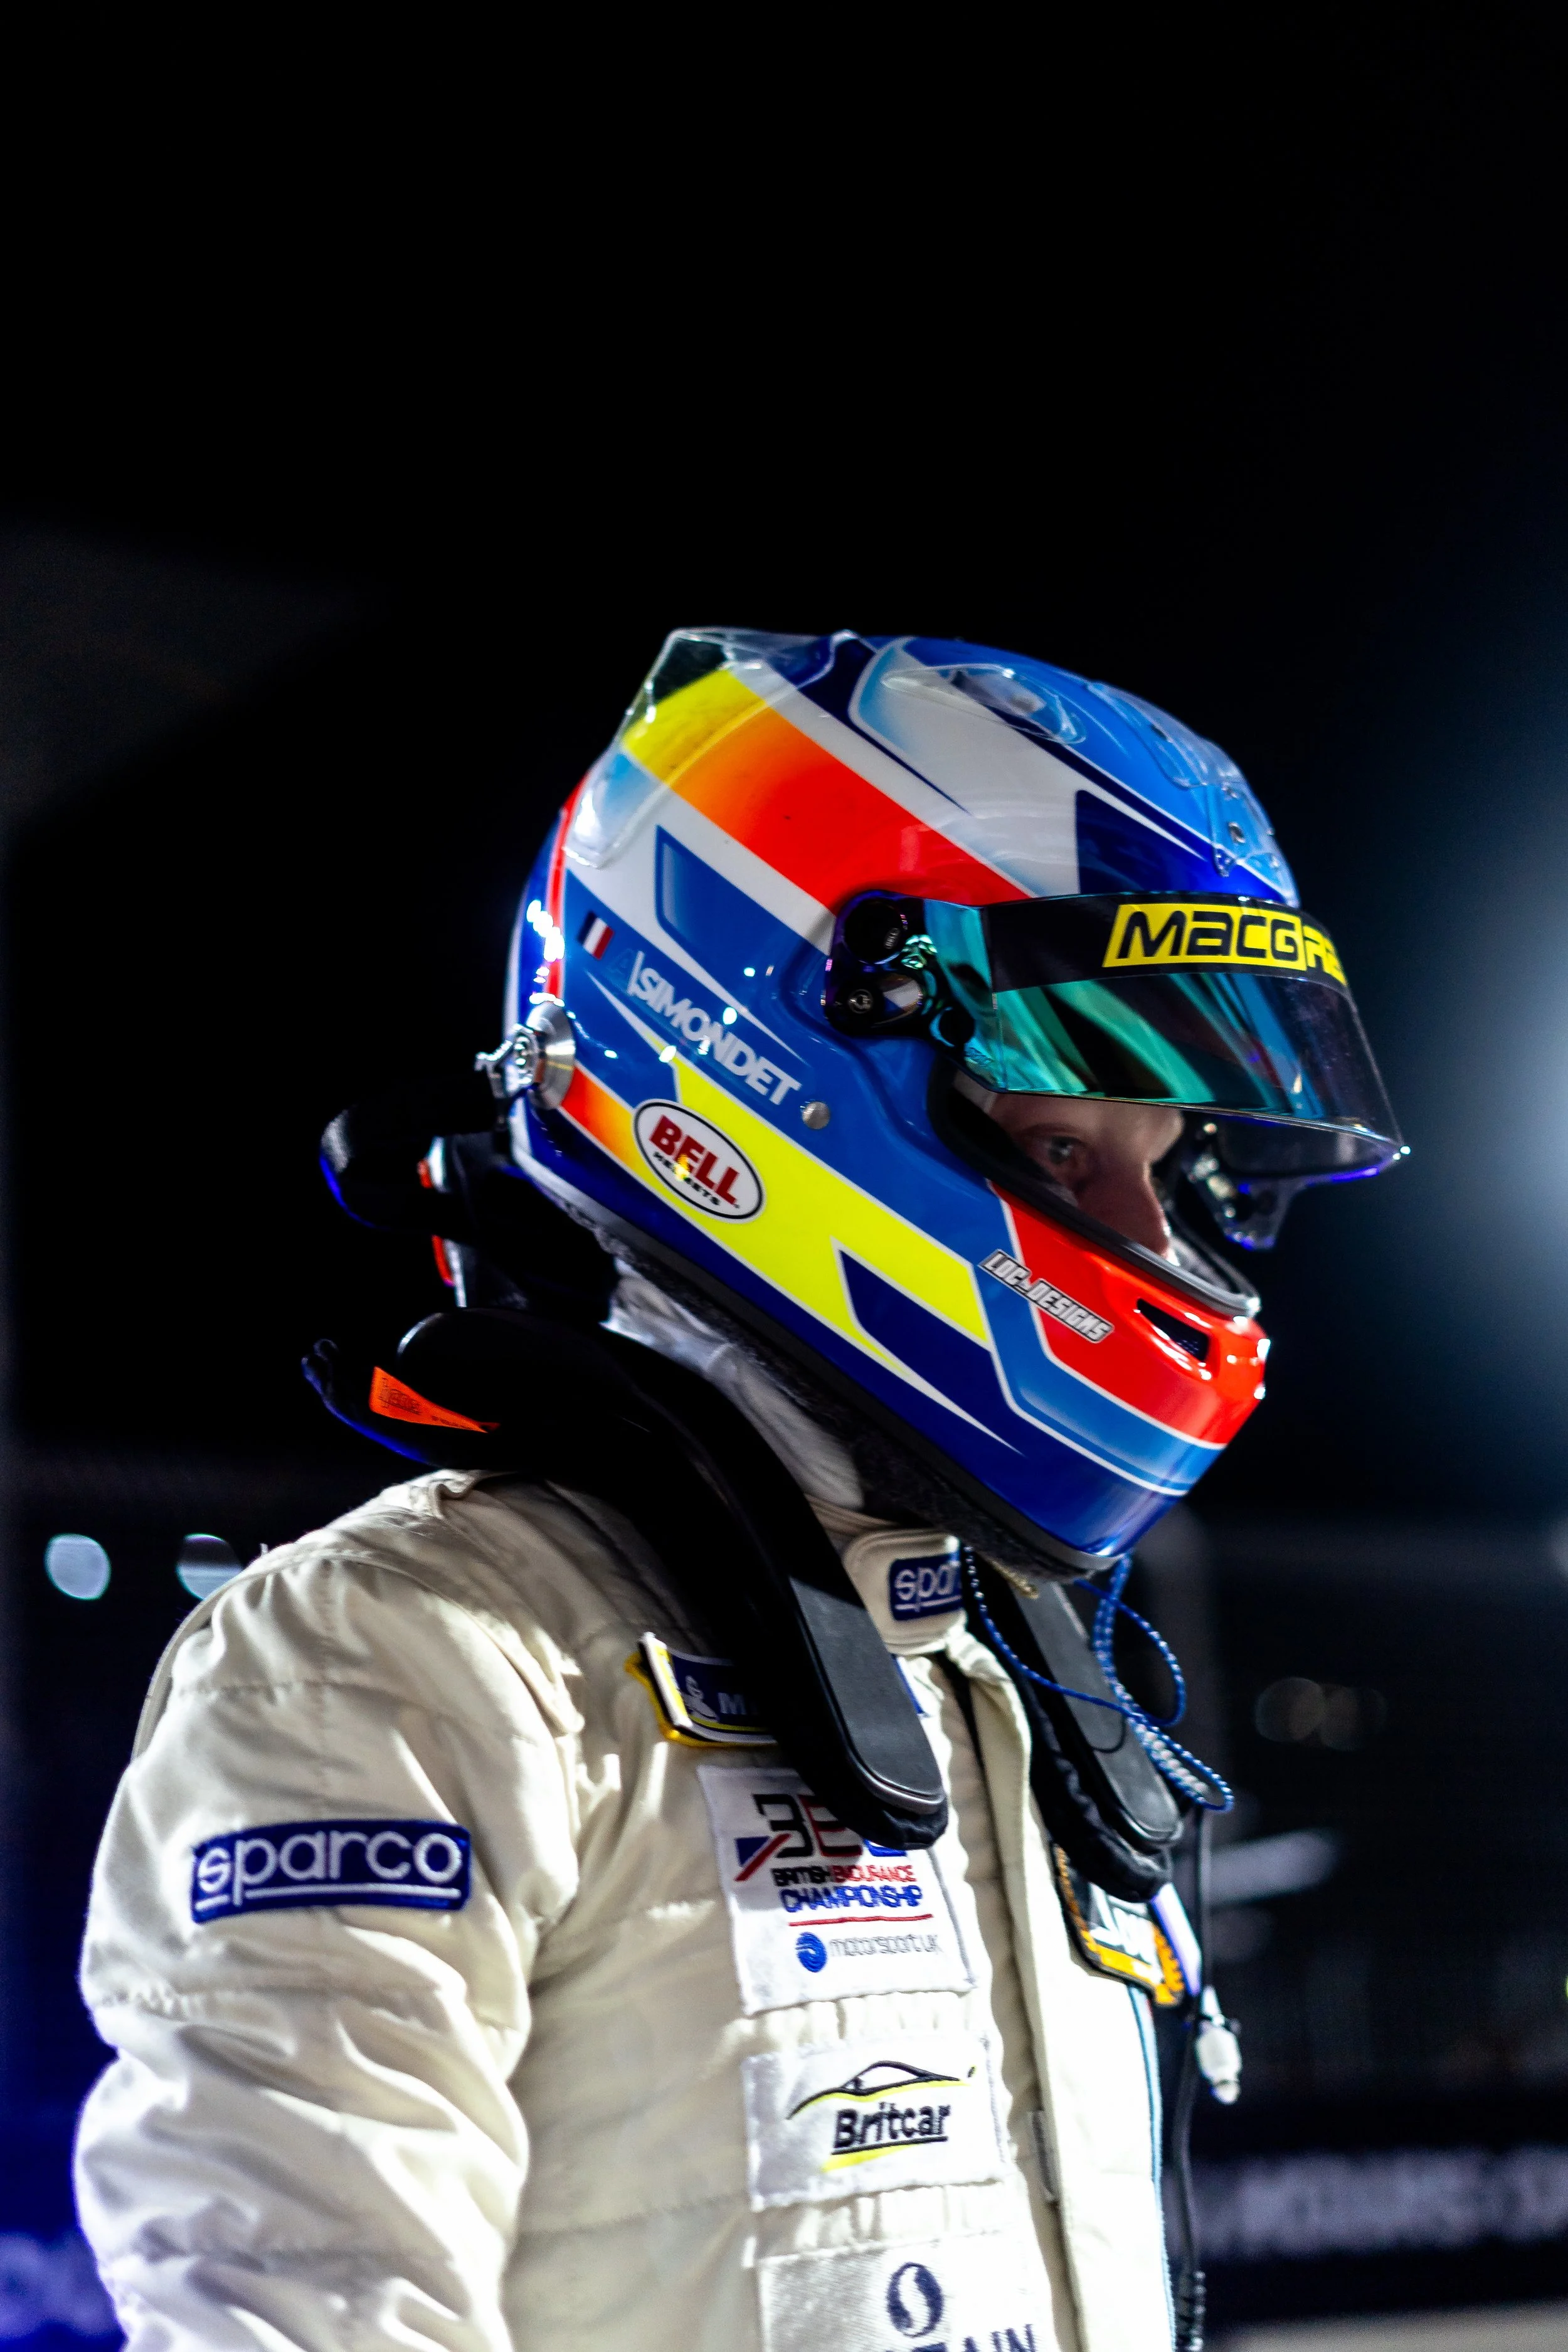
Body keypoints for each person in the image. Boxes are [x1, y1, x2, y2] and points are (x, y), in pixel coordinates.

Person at [73, 631, 1402, 2351]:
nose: (1149, 1230)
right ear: (762, 1049)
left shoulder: (1017, 1671)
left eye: (1166, 1150)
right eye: (1069, 1136)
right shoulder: (405, 1659)